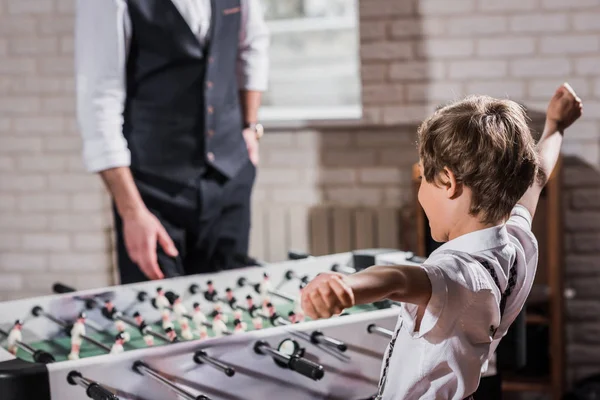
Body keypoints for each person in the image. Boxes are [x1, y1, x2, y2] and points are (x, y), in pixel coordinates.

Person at [300, 83, 583, 400]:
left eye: (424, 178)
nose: (421, 191)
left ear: (448, 182)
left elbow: (400, 279)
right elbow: (539, 174)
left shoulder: (455, 273)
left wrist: (349, 287)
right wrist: (556, 126)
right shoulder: (516, 242)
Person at [75, 0, 270, 284]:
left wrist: (249, 128)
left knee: (230, 313)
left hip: (230, 180)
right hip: (153, 194)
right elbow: (99, 99)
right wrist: (132, 212)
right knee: (158, 318)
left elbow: (252, 45)